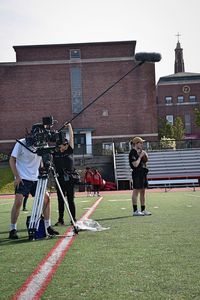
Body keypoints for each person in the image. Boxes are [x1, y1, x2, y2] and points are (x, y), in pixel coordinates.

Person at [9, 136, 59, 239]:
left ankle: (47, 226)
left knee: (46, 199)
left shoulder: (43, 143)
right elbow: (12, 160)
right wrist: (17, 176)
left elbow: (40, 157)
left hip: (36, 178)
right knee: (18, 202)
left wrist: (41, 168)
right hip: (22, 177)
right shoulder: (21, 143)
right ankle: (12, 229)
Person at [53, 123, 76, 226]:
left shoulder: (70, 151)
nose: (66, 145)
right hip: (59, 179)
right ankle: (60, 219)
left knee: (71, 200)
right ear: (59, 145)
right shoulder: (55, 153)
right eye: (64, 144)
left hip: (70, 179)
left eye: (66, 143)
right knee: (60, 200)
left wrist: (70, 127)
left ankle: (73, 219)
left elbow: (71, 137)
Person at [129, 136, 151, 216]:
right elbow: (135, 164)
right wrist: (141, 156)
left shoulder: (139, 151)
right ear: (136, 143)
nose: (142, 144)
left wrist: (145, 155)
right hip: (137, 174)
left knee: (143, 192)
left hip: (142, 173)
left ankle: (143, 210)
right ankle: (135, 211)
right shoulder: (132, 152)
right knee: (136, 191)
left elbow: (145, 161)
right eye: (140, 143)